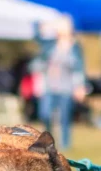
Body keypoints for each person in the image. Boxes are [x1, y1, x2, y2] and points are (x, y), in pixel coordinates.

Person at [34, 17, 86, 150]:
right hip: (49, 87)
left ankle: (65, 145)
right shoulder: (50, 44)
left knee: (64, 118)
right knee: (45, 114)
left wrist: (80, 87)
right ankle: (47, 141)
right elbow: (37, 34)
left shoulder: (75, 47)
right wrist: (47, 24)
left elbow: (79, 68)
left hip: (66, 88)